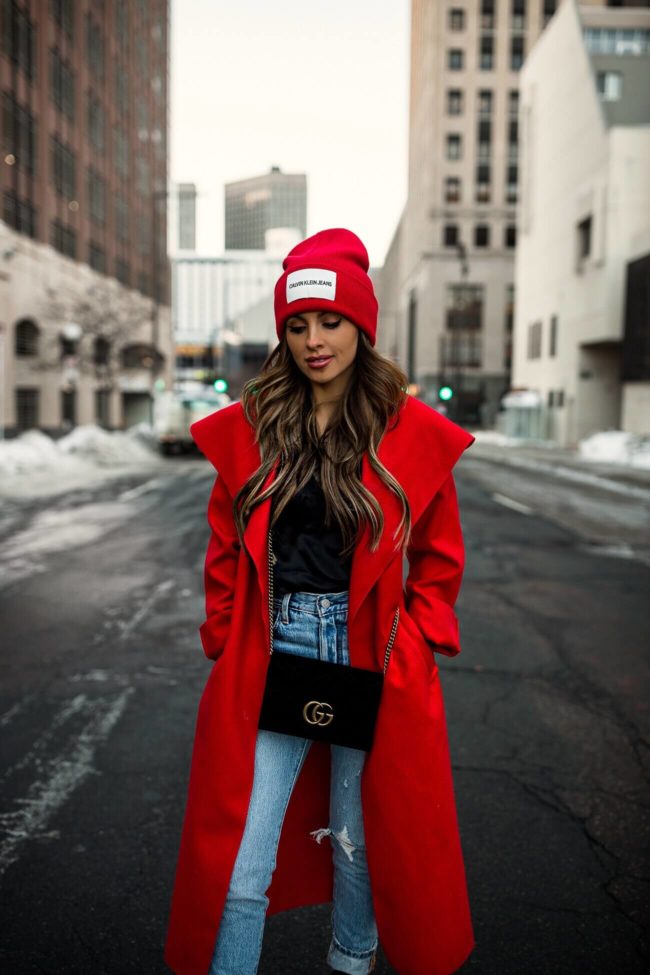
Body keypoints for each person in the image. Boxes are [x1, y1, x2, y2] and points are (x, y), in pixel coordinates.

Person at [164, 228, 476, 975]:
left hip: (371, 653)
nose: (313, 340)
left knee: (357, 847)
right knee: (241, 849)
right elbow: (222, 544)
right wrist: (222, 630)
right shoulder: (256, 427)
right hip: (274, 651)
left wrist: (422, 636)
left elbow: (439, 555)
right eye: (297, 325)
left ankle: (351, 961)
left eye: (330, 321)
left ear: (361, 327)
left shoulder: (408, 433)